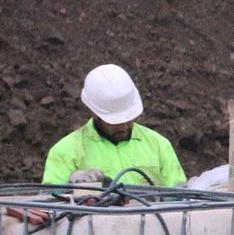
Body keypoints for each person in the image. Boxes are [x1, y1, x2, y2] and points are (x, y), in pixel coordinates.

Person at [41, 64, 187, 187]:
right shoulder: (66, 152)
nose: (123, 126)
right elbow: (50, 204)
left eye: (128, 118)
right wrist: (70, 185)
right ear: (94, 111)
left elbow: (182, 196)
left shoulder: (159, 145)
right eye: (115, 121)